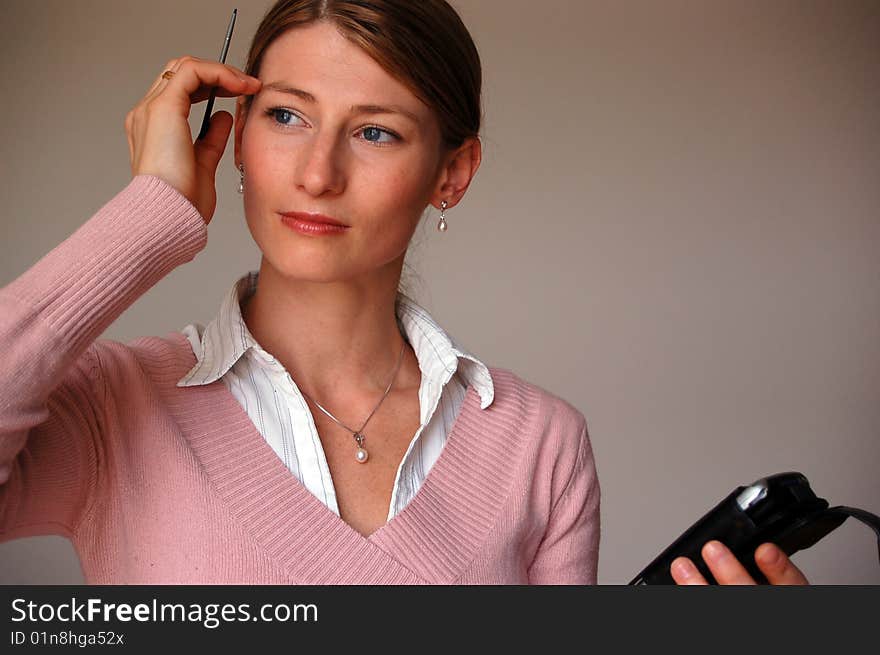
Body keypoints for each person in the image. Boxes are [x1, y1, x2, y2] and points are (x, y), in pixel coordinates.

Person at [0, 0, 806, 585]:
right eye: (285, 116)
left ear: (451, 173)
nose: (318, 173)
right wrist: (150, 213)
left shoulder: (539, 446)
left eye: (374, 130)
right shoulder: (108, 408)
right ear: (235, 135)